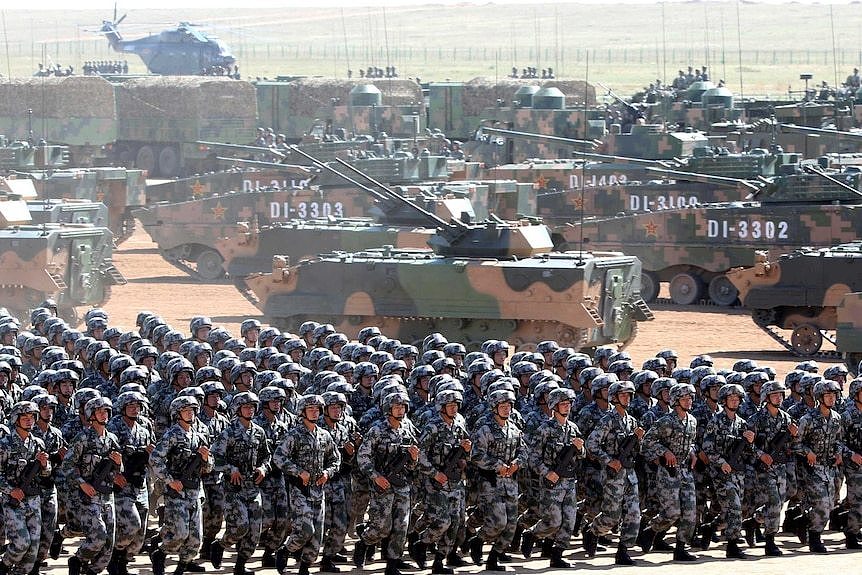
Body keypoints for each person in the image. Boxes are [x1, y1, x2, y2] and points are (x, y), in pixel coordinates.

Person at [273, 393, 340, 575]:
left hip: (319, 490)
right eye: (310, 409)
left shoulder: (324, 435)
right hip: (299, 490)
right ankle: (285, 550)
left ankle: (304, 567)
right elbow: (278, 457)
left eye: (317, 409)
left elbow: (335, 459)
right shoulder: (294, 435)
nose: (314, 413)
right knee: (305, 529)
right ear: (302, 412)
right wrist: (298, 471)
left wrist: (327, 472)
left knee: (317, 534)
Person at [354, 392, 419, 575]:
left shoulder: (407, 429)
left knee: (401, 525)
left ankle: (393, 562)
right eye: (397, 407)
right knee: (381, 526)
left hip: (402, 485)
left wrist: (414, 458)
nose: (401, 410)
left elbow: (413, 463)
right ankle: (364, 541)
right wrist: (376, 477)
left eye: (403, 407)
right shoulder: (377, 430)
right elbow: (363, 457)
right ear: (388, 409)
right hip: (382, 485)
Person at [520, 388, 585, 568]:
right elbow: (532, 456)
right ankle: (531, 534)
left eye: (568, 404)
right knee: (554, 521)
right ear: (554, 406)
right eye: (563, 404)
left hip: (570, 481)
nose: (567, 407)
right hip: (551, 482)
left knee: (569, 520)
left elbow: (582, 455)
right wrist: (546, 472)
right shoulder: (545, 429)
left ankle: (557, 555)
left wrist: (580, 449)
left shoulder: (573, 428)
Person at [149, 396, 213, 575]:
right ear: (177, 414)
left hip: (195, 491)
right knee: (180, 534)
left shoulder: (199, 436)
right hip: (177, 492)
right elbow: (155, 459)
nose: (190, 413)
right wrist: (170, 480)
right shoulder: (172, 435)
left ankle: (182, 567)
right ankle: (160, 553)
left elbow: (208, 467)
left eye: (192, 410)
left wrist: (206, 458)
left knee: (195, 539)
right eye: (186, 410)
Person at [210, 392, 271, 575]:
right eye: (246, 406)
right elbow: (214, 458)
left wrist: (263, 468)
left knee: (254, 531)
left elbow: (266, 456)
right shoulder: (228, 433)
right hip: (233, 489)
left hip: (253, 489)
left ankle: (240, 565)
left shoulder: (259, 432)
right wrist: (230, 469)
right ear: (237, 409)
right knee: (241, 527)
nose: (250, 410)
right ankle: (220, 544)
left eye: (252, 407)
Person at [584, 381, 644, 565]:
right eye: (623, 395)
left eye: (628, 395)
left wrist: (639, 439)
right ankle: (592, 531)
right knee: (612, 516)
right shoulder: (607, 420)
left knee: (634, 514)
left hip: (630, 474)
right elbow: (591, 444)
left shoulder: (632, 421)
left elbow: (638, 450)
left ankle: (623, 550)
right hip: (613, 476)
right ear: (614, 398)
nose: (627, 398)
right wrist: (609, 460)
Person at [62, 396, 123, 575]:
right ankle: (77, 559)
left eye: (105, 411)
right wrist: (82, 484)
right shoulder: (82, 438)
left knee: (108, 546)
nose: (103, 415)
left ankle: (91, 571)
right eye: (99, 411)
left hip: (107, 495)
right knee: (98, 536)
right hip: (88, 496)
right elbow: (67, 465)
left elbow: (119, 469)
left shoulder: (111, 439)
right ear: (91, 415)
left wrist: (119, 463)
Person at [413, 388, 471, 574]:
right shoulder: (433, 427)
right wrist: (433, 473)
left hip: (456, 481)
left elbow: (466, 452)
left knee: (456, 523)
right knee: (444, 521)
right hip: (436, 482)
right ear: (441, 407)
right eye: (450, 405)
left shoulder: (459, 424)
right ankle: (421, 543)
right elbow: (419, 454)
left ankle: (439, 561)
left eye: (456, 405)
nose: (454, 409)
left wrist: (466, 452)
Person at [639, 383, 698, 561]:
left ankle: (680, 548)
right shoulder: (666, 421)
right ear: (675, 401)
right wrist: (664, 451)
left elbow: (691, 441)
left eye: (690, 398)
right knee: (672, 512)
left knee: (690, 512)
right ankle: (650, 530)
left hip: (686, 471)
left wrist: (693, 452)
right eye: (684, 399)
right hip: (668, 471)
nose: (688, 401)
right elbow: (646, 442)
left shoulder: (692, 420)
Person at [701, 383, 755, 558]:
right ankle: (732, 545)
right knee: (734, 507)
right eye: (731, 399)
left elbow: (748, 452)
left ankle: (711, 528)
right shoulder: (715, 421)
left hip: (739, 473)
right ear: (724, 401)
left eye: (737, 399)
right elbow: (708, 449)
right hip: (721, 474)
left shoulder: (742, 423)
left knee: (739, 509)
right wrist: (721, 462)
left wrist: (750, 441)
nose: (734, 401)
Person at [106, 391, 156, 575]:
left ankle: (122, 563)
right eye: (131, 406)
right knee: (131, 524)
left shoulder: (144, 430)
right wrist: (113, 476)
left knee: (141, 534)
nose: (135, 410)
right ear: (123, 408)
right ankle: (114, 556)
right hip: (121, 484)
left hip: (140, 483)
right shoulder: (113, 428)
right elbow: (107, 457)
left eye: (137, 407)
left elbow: (153, 455)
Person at [793, 380, 844, 553]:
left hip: (829, 468)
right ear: (819, 397)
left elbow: (839, 441)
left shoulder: (836, 418)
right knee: (822, 504)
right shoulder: (807, 419)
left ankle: (803, 520)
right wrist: (807, 452)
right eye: (828, 396)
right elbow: (795, 444)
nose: (831, 399)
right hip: (811, 469)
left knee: (830, 505)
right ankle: (815, 538)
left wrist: (838, 452)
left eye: (833, 395)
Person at [747, 380, 797, 556]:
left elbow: (791, 444)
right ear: (766, 397)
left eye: (780, 394)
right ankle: (770, 541)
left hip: (780, 467)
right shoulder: (756, 419)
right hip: (763, 468)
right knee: (774, 502)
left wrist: (793, 435)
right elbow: (746, 446)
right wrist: (761, 455)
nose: (779, 397)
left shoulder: (786, 418)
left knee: (778, 503)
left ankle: (754, 521)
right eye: (774, 394)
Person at [0, 401, 50, 575]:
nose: (29, 421)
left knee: (33, 550)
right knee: (21, 544)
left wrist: (44, 465)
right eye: (25, 417)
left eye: (32, 417)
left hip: (33, 501)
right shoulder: (5, 444)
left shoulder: (38, 444)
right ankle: (4, 565)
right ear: (16, 419)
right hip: (12, 501)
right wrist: (10, 489)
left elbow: (45, 475)